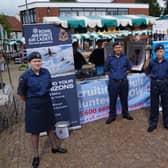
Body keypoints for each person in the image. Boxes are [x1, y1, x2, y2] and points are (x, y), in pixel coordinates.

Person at [17, 52, 67, 168]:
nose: (37, 63)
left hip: (46, 102)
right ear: (30, 63)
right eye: (34, 61)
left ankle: (55, 147)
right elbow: (21, 94)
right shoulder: (24, 76)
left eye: (39, 61)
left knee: (50, 126)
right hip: (33, 105)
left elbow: (48, 86)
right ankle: (36, 156)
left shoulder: (46, 72)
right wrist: (32, 101)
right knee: (35, 131)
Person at [105, 41, 133, 124]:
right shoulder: (109, 58)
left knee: (124, 99)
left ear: (121, 48)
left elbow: (129, 68)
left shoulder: (125, 58)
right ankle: (112, 116)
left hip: (124, 82)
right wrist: (114, 76)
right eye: (116, 47)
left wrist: (122, 75)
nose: (118, 49)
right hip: (113, 83)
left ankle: (125, 114)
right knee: (112, 100)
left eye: (120, 47)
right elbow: (106, 70)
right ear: (113, 48)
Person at [145, 44, 168, 133]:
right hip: (154, 84)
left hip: (165, 84)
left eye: (161, 51)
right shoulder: (151, 62)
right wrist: (153, 78)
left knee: (166, 104)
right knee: (154, 104)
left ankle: (166, 123)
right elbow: (147, 72)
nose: (160, 53)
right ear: (155, 52)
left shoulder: (167, 62)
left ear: (164, 52)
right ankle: (153, 124)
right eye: (158, 51)